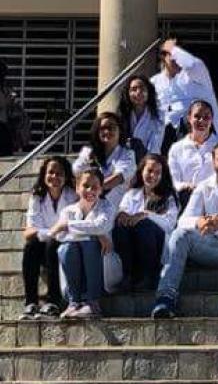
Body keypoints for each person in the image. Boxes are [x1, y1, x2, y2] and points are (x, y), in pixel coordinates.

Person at [152, 140, 218, 319]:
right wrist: (199, 221)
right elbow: (184, 220)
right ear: (213, 161)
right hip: (215, 247)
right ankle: (166, 297)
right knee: (180, 235)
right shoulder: (204, 186)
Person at [50, 167, 116, 320]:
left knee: (89, 243)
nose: (90, 190)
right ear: (77, 187)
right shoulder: (68, 210)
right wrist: (96, 232)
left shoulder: (107, 207)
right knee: (66, 248)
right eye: (86, 185)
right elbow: (59, 235)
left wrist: (70, 226)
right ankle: (74, 302)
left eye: (95, 186)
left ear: (101, 189)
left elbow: (101, 226)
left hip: (100, 263)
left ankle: (93, 303)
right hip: (75, 260)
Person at [20, 156, 76, 319]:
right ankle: (31, 302)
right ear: (44, 174)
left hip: (66, 247)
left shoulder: (72, 196)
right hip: (44, 247)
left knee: (51, 245)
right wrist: (53, 231)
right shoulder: (37, 196)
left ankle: (53, 301)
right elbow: (28, 233)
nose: (55, 177)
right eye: (51, 172)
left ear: (66, 177)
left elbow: (69, 228)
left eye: (60, 173)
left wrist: (43, 232)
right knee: (30, 247)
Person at [114, 153, 179, 294]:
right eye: (149, 171)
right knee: (120, 225)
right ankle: (128, 275)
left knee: (144, 226)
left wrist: (146, 215)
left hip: (156, 246)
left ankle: (148, 276)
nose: (153, 176)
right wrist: (122, 214)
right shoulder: (131, 194)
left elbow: (169, 224)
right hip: (133, 245)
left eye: (158, 172)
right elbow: (123, 211)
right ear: (141, 171)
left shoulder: (169, 197)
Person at [152, 39, 218, 136]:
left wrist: (171, 49)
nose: (178, 61)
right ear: (163, 57)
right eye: (174, 57)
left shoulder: (197, 75)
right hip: (166, 138)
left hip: (202, 137)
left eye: (180, 55)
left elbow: (193, 64)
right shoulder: (154, 82)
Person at [73, 112, 137, 211]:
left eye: (111, 127)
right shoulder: (88, 152)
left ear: (120, 130)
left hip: (114, 209)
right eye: (102, 128)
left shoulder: (127, 154)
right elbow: (77, 172)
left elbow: (118, 178)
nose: (107, 131)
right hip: (87, 207)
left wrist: (92, 189)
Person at [166, 100, 218, 208]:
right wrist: (186, 187)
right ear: (189, 118)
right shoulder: (176, 148)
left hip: (215, 201)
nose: (201, 120)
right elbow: (174, 180)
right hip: (184, 200)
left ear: (212, 120)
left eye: (206, 117)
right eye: (197, 116)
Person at [117, 74, 166, 157]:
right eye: (134, 89)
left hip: (147, 161)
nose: (138, 92)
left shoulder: (158, 115)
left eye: (142, 88)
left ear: (148, 92)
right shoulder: (121, 114)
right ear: (128, 94)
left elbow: (155, 146)